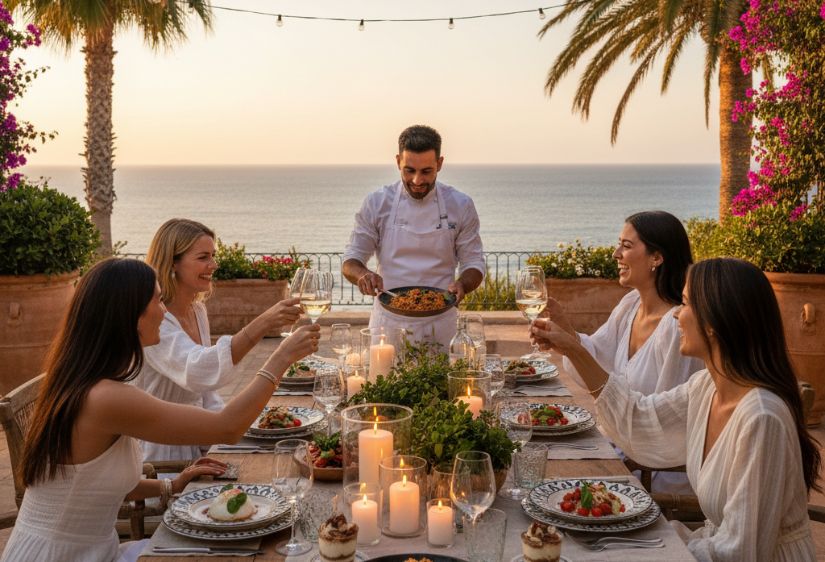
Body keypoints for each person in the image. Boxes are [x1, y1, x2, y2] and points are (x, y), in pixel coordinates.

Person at [1, 258, 319, 562]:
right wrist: (280, 358)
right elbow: (228, 427)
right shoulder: (105, 398)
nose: (163, 311)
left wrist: (172, 484)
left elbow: (89, 484)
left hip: (93, 552)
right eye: (157, 300)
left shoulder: (86, 381)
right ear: (131, 316)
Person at [531, 258, 820, 561]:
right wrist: (574, 351)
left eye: (684, 304)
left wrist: (661, 551)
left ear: (713, 323)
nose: (676, 317)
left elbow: (740, 552)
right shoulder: (707, 386)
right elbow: (641, 419)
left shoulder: (762, 418)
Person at [547, 211, 703, 492]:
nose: (616, 253)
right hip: (619, 450)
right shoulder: (630, 305)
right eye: (619, 244)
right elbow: (597, 357)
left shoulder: (678, 327)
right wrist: (565, 329)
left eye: (627, 246)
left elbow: (662, 427)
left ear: (657, 258)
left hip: (651, 471)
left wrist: (571, 347)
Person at [133, 218, 302, 461]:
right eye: (203, 258)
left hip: (197, 441)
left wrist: (237, 431)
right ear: (173, 262)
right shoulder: (154, 320)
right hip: (161, 455)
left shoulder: (197, 310)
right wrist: (262, 324)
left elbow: (206, 393)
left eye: (213, 255)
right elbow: (198, 370)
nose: (213, 264)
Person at [342, 125, 485, 349]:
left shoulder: (461, 205)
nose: (417, 181)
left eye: (426, 171)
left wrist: (463, 284)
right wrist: (363, 275)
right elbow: (351, 260)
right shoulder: (377, 203)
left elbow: (474, 263)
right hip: (386, 328)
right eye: (409, 170)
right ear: (398, 161)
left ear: (440, 164)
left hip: (443, 325)